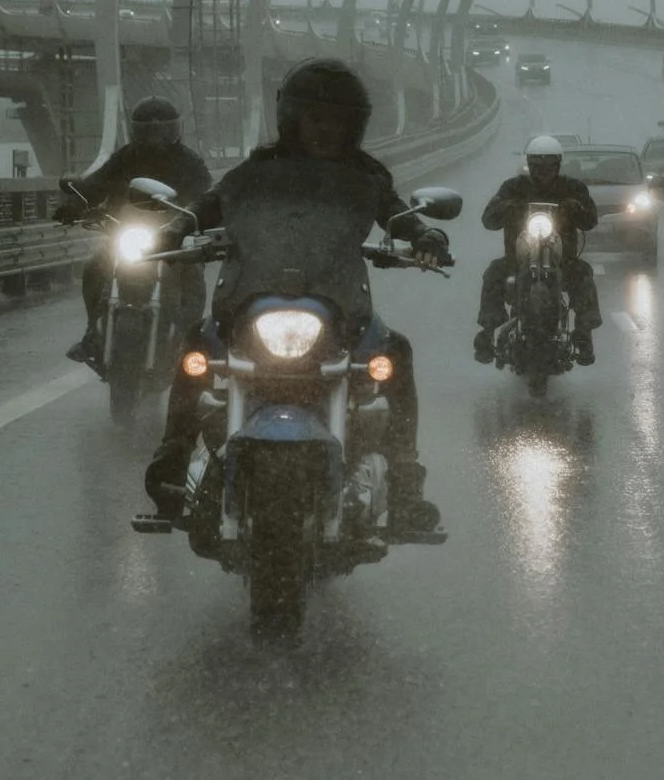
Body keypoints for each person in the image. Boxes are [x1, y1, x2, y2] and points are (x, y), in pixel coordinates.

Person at [142, 58, 450, 535]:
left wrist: (426, 235)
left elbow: (394, 213)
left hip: (337, 305)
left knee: (396, 352)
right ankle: (170, 470)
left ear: (353, 126)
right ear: (293, 119)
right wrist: (176, 227)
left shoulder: (364, 176)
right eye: (316, 119)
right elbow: (218, 201)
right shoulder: (260, 169)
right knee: (196, 346)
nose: (325, 130)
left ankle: (407, 485)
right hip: (256, 298)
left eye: (336, 122)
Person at [55, 95, 213, 364]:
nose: (156, 136)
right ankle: (93, 333)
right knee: (94, 269)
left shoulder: (189, 162)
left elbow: (205, 196)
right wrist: (75, 203)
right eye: (148, 129)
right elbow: (96, 184)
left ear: (174, 129)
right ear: (136, 130)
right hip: (126, 233)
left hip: (171, 238)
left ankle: (190, 343)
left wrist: (198, 219)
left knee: (194, 277)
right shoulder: (125, 157)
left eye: (162, 128)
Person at [475, 135, 603, 365]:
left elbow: (590, 220)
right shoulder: (513, 187)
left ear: (558, 165)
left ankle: (584, 333)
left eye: (549, 166)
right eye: (537, 166)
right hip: (518, 258)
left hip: (563, 259)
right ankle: (487, 333)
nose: (543, 171)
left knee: (583, 273)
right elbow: (488, 219)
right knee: (493, 272)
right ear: (529, 165)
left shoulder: (572, 187)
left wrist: (576, 208)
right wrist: (506, 207)